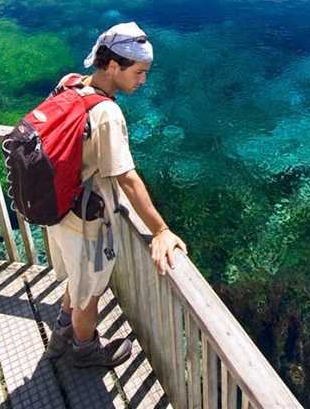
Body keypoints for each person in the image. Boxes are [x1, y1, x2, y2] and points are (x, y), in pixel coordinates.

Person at [44, 21, 187, 368]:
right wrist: (161, 230)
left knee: (78, 284)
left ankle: (63, 331)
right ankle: (84, 350)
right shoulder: (106, 112)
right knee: (89, 294)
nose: (143, 80)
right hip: (86, 222)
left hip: (58, 210)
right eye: (139, 72)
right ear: (112, 65)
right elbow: (127, 179)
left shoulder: (70, 83)